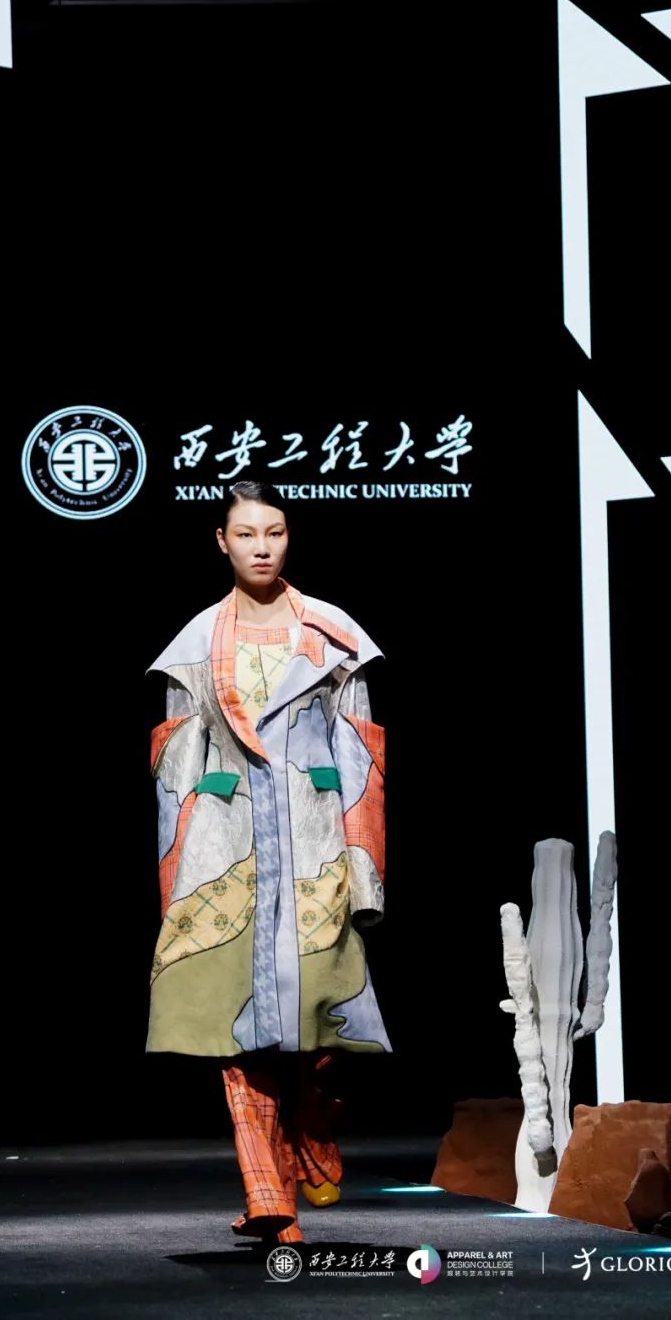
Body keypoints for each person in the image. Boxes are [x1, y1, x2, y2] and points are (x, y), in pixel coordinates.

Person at [144, 480, 390, 1244]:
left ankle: (311, 1130)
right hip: (226, 858)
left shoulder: (334, 636)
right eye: (246, 533)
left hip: (315, 851)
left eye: (274, 532)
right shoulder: (195, 645)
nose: (261, 546)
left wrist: (364, 867)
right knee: (237, 1031)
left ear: (289, 537)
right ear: (221, 542)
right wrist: (177, 872)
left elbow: (362, 753)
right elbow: (173, 765)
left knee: (315, 1031)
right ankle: (268, 1196)